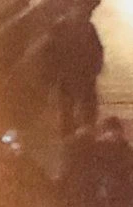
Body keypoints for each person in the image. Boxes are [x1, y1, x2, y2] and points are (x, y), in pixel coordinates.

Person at [41, 0, 105, 137]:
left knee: (76, 105)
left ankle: (78, 133)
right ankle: (77, 132)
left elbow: (96, 49)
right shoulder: (85, 27)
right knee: (72, 106)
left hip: (78, 73)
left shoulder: (82, 27)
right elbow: (50, 52)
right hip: (73, 73)